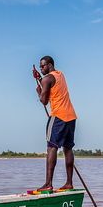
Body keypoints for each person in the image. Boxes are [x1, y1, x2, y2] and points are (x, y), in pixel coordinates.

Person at [32, 55, 77, 191]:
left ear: (50, 65)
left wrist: (39, 91)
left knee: (52, 147)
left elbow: (44, 100)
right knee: (68, 148)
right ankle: (69, 183)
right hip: (71, 116)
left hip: (57, 116)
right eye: (40, 66)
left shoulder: (47, 79)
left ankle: (48, 184)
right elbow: (51, 85)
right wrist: (39, 78)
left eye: (43, 65)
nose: (41, 68)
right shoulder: (60, 74)